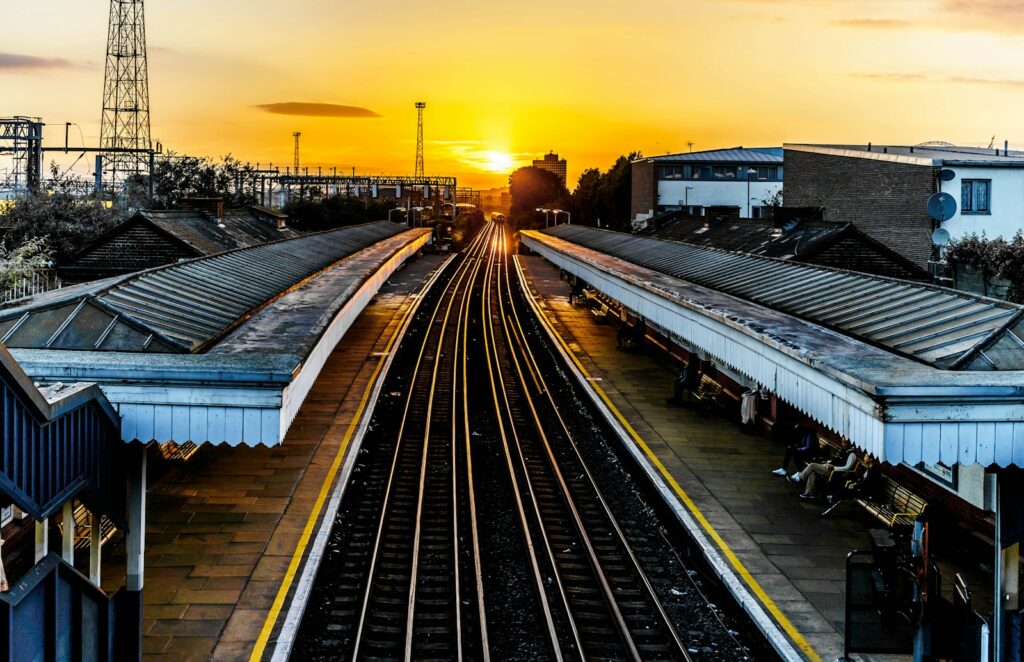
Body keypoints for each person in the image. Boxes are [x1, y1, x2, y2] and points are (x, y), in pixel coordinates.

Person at [791, 440, 858, 500]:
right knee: (813, 471)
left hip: (835, 472)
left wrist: (834, 467)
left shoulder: (852, 454)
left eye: (845, 443)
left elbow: (847, 467)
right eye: (842, 442)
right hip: (829, 467)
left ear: (850, 443)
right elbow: (836, 460)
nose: (843, 444)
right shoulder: (843, 451)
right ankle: (808, 493)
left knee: (812, 465)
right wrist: (828, 462)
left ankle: (800, 478)